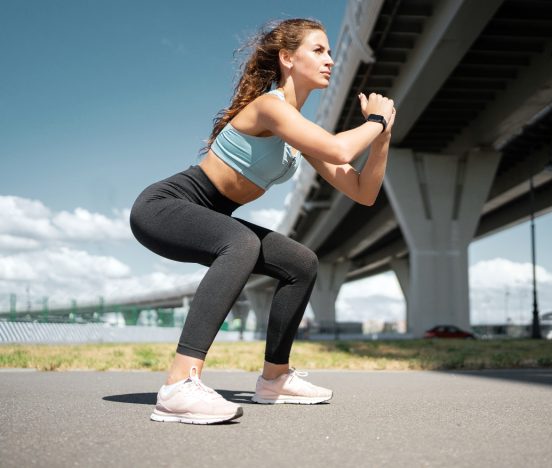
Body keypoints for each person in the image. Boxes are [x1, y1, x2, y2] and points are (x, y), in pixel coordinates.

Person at [129, 17, 396, 425]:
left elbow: (363, 191)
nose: (332, 60)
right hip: (164, 206)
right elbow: (342, 151)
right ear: (288, 59)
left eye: (330, 51)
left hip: (208, 215)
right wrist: (373, 121)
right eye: (319, 50)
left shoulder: (298, 132)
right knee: (241, 242)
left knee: (300, 262)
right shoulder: (271, 107)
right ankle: (178, 384)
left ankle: (275, 379)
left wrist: (383, 138)